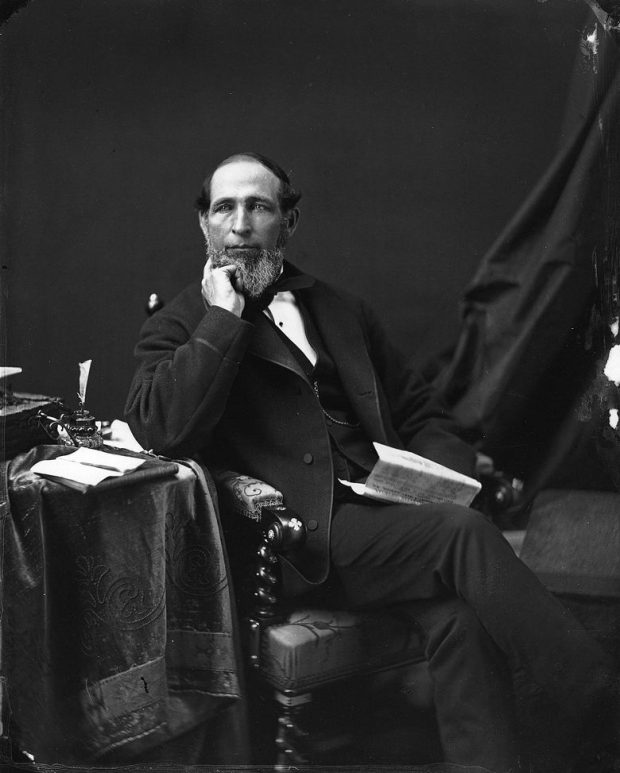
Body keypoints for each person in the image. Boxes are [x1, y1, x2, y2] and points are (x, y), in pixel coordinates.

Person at [125, 152, 617, 772]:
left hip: (385, 519)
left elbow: (422, 411)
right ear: (205, 226)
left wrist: (439, 481)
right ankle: (598, 702)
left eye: (260, 206)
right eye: (225, 208)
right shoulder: (181, 324)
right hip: (295, 543)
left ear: (289, 222)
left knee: (458, 617)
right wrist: (224, 318)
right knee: (461, 537)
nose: (241, 224)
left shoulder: (339, 309)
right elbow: (159, 430)